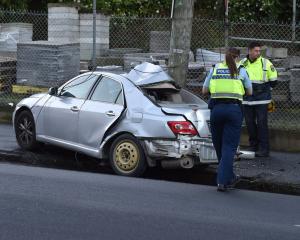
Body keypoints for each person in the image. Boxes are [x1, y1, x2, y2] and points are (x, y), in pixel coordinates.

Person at [202, 47, 252, 192]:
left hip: (216, 110)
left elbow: (205, 91)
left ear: (225, 56)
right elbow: (249, 91)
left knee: (219, 146)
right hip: (233, 110)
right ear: (238, 58)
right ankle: (222, 181)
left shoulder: (215, 68)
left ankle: (229, 177)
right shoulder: (241, 70)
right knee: (229, 147)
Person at [240, 42, 278, 157]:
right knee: (250, 123)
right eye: (256, 51)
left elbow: (274, 81)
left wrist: (265, 90)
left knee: (262, 124)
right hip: (246, 100)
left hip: (262, 100)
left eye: (259, 51)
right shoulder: (242, 63)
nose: (258, 53)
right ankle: (253, 145)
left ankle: (264, 149)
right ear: (249, 51)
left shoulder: (266, 63)